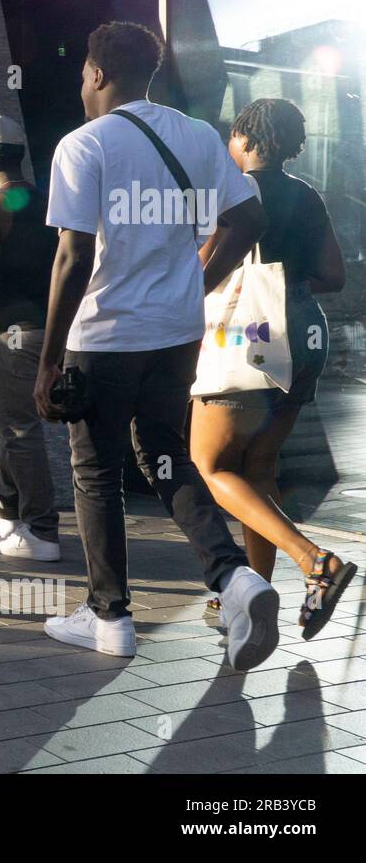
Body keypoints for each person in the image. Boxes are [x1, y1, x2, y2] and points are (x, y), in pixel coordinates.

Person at [34, 21, 277, 669]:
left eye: (84, 74)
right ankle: (236, 577)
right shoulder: (196, 136)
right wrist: (199, 280)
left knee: (96, 473)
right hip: (174, 336)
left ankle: (109, 616)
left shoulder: (84, 146)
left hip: (105, 339)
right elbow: (249, 216)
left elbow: (72, 256)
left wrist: (49, 359)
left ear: (96, 74)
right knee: (164, 454)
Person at [190, 99, 355, 638]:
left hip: (248, 339)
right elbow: (333, 274)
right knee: (259, 470)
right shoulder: (306, 194)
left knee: (210, 463)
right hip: (304, 338)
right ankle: (253, 597)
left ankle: (315, 562)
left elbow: (206, 271)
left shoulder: (237, 191)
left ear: (243, 136)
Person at [0, 114, 61, 562]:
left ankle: (42, 531)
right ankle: (6, 508)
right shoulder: (50, 203)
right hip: (55, 330)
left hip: (10, 333)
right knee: (15, 422)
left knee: (21, 429)